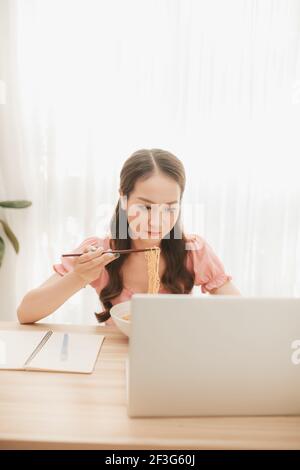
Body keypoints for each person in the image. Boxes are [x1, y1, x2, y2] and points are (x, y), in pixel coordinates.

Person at [17, 148, 240, 325]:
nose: (157, 222)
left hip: (175, 357)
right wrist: (78, 276)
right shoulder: (98, 251)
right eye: (146, 207)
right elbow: (25, 313)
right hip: (112, 358)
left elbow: (242, 312)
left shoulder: (193, 251)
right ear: (123, 198)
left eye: (170, 208)